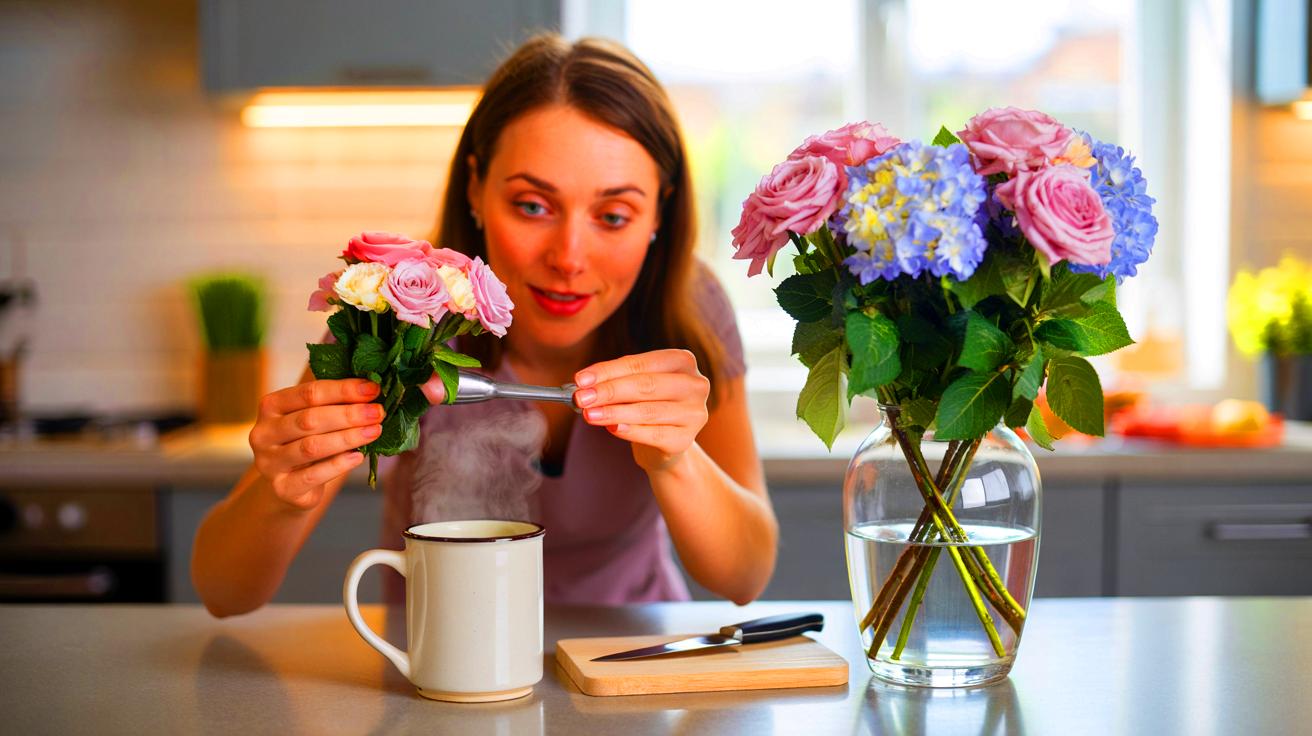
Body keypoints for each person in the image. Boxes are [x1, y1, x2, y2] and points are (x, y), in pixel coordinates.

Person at [191, 34, 777, 616]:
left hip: (630, 666)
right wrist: (282, 491)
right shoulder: (399, 316)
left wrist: (677, 461)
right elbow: (223, 592)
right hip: (438, 674)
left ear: (659, 213)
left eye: (614, 216)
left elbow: (745, 577)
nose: (569, 257)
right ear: (476, 186)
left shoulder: (690, 308)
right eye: (532, 206)